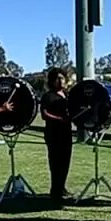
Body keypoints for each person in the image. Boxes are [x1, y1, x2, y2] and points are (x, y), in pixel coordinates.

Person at [40, 67, 74, 203]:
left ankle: (62, 187)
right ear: (52, 81)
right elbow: (44, 114)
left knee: (65, 162)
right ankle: (55, 190)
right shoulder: (48, 96)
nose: (60, 81)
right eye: (57, 79)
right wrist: (59, 119)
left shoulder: (67, 95)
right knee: (56, 163)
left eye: (62, 78)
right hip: (53, 133)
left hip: (66, 132)